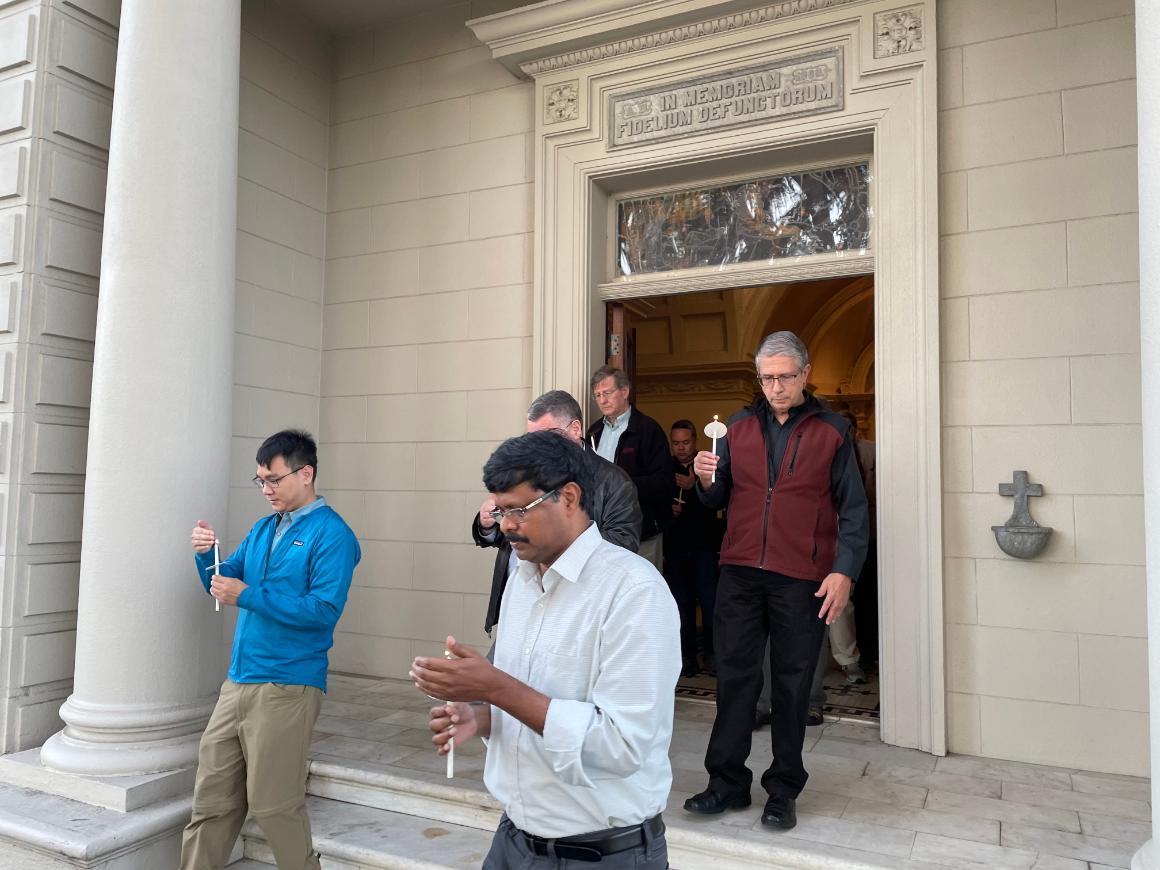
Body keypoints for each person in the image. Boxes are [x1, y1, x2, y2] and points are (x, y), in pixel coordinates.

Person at [413, 431, 680, 870]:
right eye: (500, 510)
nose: (506, 525)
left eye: (519, 509)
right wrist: (482, 717)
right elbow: (539, 700)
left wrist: (496, 689)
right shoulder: (521, 578)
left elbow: (621, 746)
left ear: (570, 497)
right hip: (514, 839)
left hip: (600, 853)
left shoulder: (633, 591)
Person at [683, 331, 868, 832]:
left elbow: (853, 508)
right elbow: (717, 498)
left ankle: (783, 789)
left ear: (804, 374)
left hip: (801, 577)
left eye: (785, 377)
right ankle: (727, 783)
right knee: (736, 681)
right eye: (767, 378)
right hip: (740, 572)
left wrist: (844, 570)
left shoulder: (832, 430)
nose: (776, 387)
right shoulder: (737, 427)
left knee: (790, 687)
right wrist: (704, 479)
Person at [178, 430, 361, 870]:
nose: (266, 490)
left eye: (274, 479)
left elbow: (322, 610)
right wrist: (208, 555)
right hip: (239, 680)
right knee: (210, 803)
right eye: (260, 480)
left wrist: (248, 595)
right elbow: (224, 584)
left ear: (306, 473)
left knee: (275, 805)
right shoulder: (263, 529)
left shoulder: (334, 535)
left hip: (289, 685)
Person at [473, 389, 641, 637]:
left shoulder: (614, 480)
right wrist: (487, 524)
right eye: (532, 438)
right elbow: (512, 530)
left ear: (575, 429)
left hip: (575, 607)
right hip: (517, 600)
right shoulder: (523, 473)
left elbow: (624, 543)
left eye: (548, 436)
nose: (538, 448)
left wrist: (556, 545)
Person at [586, 365, 671, 571]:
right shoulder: (593, 432)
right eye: (597, 395)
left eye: (607, 393)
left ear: (624, 391)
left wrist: (621, 486)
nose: (602, 400)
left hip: (642, 532)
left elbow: (663, 483)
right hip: (599, 533)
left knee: (643, 592)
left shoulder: (648, 430)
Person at [664, 419, 723, 677]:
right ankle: (686, 657)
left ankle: (712, 655)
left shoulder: (707, 463)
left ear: (696, 441)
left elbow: (717, 502)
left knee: (711, 605)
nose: (681, 448)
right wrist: (670, 507)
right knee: (681, 606)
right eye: (676, 443)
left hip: (705, 547)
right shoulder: (665, 467)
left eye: (686, 442)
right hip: (676, 547)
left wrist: (694, 489)